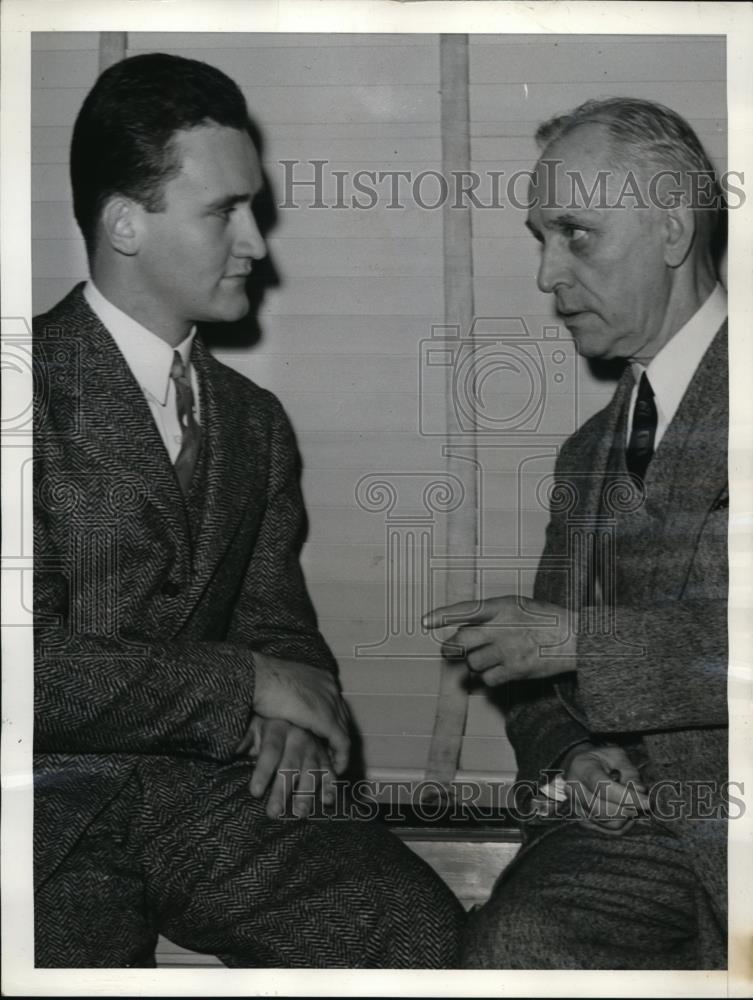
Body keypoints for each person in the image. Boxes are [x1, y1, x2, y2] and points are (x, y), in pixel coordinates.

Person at [33, 51, 463, 969]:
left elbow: (279, 625)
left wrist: (288, 720)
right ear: (125, 224)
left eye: (254, 207)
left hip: (206, 799)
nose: (257, 243)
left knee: (417, 933)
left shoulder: (252, 423)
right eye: (224, 211)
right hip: (38, 813)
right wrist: (246, 689)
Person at [425, 97, 729, 969]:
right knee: (509, 951)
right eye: (539, 237)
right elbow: (539, 691)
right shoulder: (586, 453)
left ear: (672, 228)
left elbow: (564, 642)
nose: (546, 274)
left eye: (576, 233)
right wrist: (575, 756)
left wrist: (571, 639)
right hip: (629, 843)